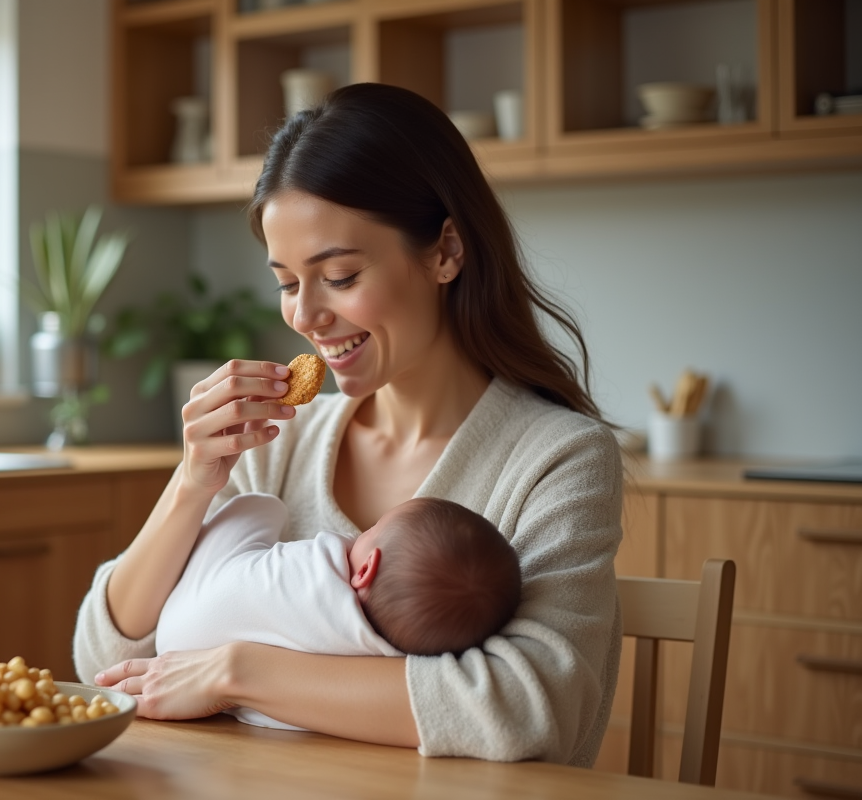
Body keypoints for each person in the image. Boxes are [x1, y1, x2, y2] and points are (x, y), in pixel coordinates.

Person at [74, 82, 623, 765]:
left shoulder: (558, 457)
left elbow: (523, 708)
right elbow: (107, 659)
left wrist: (234, 671)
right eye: (286, 282)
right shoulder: (282, 440)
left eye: (338, 275)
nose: (305, 317)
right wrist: (191, 485)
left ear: (445, 251)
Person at [155, 492, 522, 730]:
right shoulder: (386, 660)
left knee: (263, 506)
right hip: (199, 688)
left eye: (373, 529)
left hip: (171, 644)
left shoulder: (321, 563)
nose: (361, 532)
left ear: (364, 570)